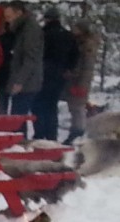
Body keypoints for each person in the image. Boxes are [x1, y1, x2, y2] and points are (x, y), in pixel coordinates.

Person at [35, 9, 75, 141]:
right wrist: (68, 68)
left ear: (47, 19)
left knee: (39, 105)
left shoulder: (43, 34)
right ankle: (52, 135)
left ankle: (40, 134)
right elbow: (75, 55)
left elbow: (39, 54)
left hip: (43, 74)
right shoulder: (68, 35)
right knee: (52, 106)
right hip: (59, 76)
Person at [1, 1, 43, 118]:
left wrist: (20, 81)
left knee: (18, 117)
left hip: (26, 83)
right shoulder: (23, 28)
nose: (7, 20)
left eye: (9, 17)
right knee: (18, 117)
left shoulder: (30, 29)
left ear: (18, 13)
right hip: (25, 80)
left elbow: (30, 58)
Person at [65, 22, 98, 142]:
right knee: (74, 107)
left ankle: (78, 131)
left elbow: (87, 67)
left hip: (80, 81)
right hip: (74, 80)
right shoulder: (78, 43)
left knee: (78, 108)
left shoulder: (87, 45)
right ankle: (76, 130)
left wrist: (82, 84)